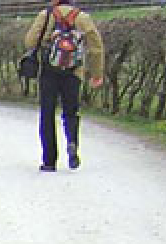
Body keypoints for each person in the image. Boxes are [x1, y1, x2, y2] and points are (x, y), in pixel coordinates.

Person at [23, 2, 104, 171]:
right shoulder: (82, 17)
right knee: (71, 112)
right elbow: (96, 48)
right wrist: (97, 74)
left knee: (47, 114)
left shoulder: (46, 15)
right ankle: (72, 142)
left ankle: (49, 161)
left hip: (48, 72)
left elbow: (30, 42)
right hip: (74, 72)